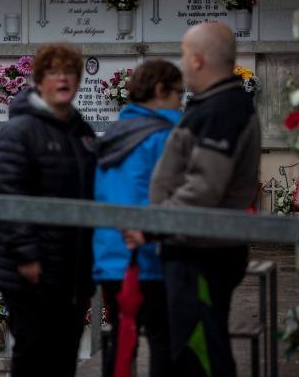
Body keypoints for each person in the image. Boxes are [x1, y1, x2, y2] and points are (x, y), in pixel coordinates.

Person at [125, 23, 260, 376]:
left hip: (202, 253)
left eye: (185, 56)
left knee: (200, 357)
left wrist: (151, 225)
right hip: (192, 251)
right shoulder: (213, 104)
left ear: (198, 60)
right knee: (191, 350)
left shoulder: (223, 109)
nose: (182, 65)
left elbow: (204, 188)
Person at [0, 43, 96, 377]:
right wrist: (27, 255)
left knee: (65, 355)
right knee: (34, 355)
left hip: (73, 268)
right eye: (53, 72)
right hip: (33, 270)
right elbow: (11, 194)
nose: (63, 79)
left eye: (69, 72)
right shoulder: (19, 130)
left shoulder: (81, 131)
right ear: (39, 80)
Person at [92, 60, 183, 377]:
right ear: (161, 90)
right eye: (179, 95)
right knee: (164, 342)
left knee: (120, 340)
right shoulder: (168, 135)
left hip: (110, 256)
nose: (181, 103)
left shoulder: (115, 132)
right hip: (150, 255)